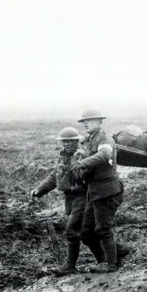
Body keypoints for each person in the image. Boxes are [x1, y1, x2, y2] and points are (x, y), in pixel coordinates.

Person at [70, 110, 124, 273]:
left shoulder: (103, 138)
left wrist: (83, 162)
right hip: (94, 193)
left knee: (103, 229)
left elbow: (105, 153)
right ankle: (106, 259)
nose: (86, 124)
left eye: (90, 121)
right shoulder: (90, 141)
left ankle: (111, 264)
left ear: (99, 122)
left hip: (107, 191)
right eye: (84, 122)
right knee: (86, 232)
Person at [31, 127, 89, 275]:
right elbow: (54, 176)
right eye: (65, 141)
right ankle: (110, 255)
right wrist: (40, 190)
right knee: (85, 232)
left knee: (72, 230)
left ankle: (70, 266)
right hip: (71, 198)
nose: (67, 144)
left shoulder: (81, 155)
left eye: (70, 141)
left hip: (83, 196)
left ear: (77, 141)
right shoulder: (63, 156)